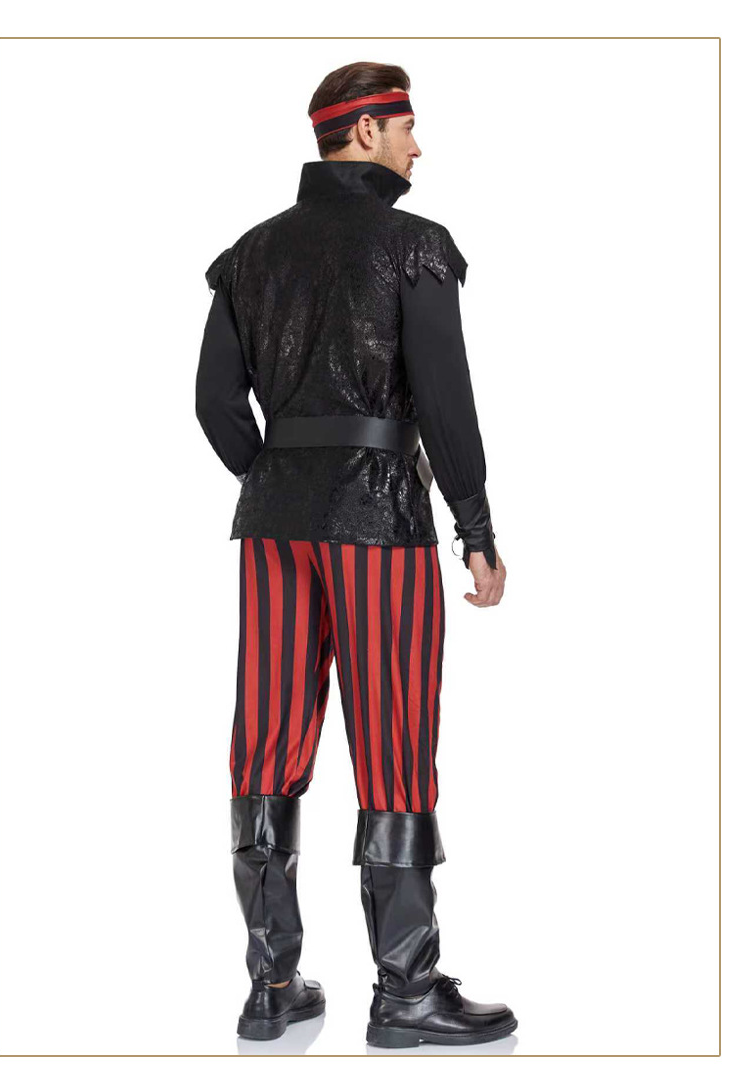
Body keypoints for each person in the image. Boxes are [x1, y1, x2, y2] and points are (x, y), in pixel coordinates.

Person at [195, 61, 516, 1048]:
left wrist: (274, 475)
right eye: (408, 127)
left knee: (267, 738)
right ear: (366, 131)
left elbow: (213, 402)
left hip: (272, 525)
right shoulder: (413, 247)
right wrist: (475, 527)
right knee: (393, 739)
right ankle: (406, 990)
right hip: (379, 521)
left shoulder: (249, 254)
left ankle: (272, 984)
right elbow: (445, 398)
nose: (419, 146)